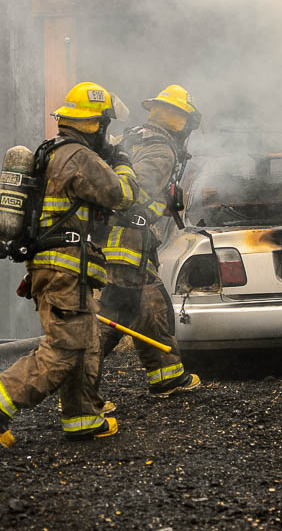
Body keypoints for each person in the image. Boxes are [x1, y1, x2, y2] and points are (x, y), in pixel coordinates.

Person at [0, 82, 138, 446]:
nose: (108, 134)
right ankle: (2, 396)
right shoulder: (77, 156)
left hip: (58, 267)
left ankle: (82, 417)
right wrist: (124, 164)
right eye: (106, 126)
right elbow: (122, 195)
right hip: (65, 268)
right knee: (66, 347)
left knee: (85, 343)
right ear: (96, 124)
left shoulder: (54, 151)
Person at [98, 85, 202, 397]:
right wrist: (163, 206)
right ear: (181, 120)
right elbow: (134, 197)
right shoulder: (161, 149)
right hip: (128, 242)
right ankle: (73, 371)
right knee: (138, 309)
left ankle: (165, 376)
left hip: (118, 240)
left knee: (136, 309)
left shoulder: (134, 138)